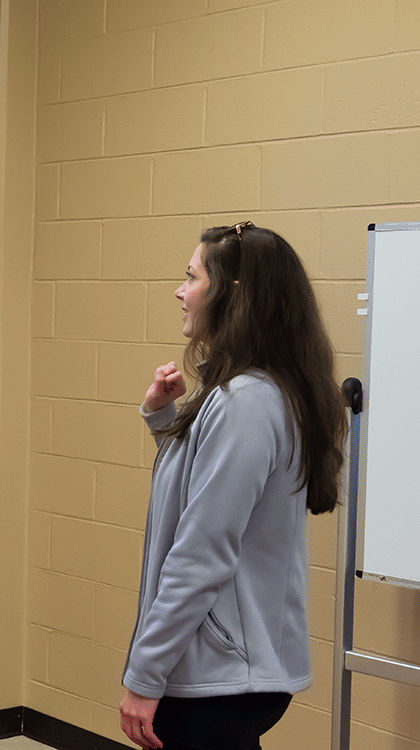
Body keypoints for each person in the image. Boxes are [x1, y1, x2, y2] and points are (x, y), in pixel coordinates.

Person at [119, 223, 347, 750]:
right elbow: (207, 495)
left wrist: (145, 673)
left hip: (221, 678)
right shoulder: (263, 390)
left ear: (231, 295)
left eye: (192, 277)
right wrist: (163, 419)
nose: (180, 291)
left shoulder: (243, 401)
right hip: (239, 672)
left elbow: (201, 551)